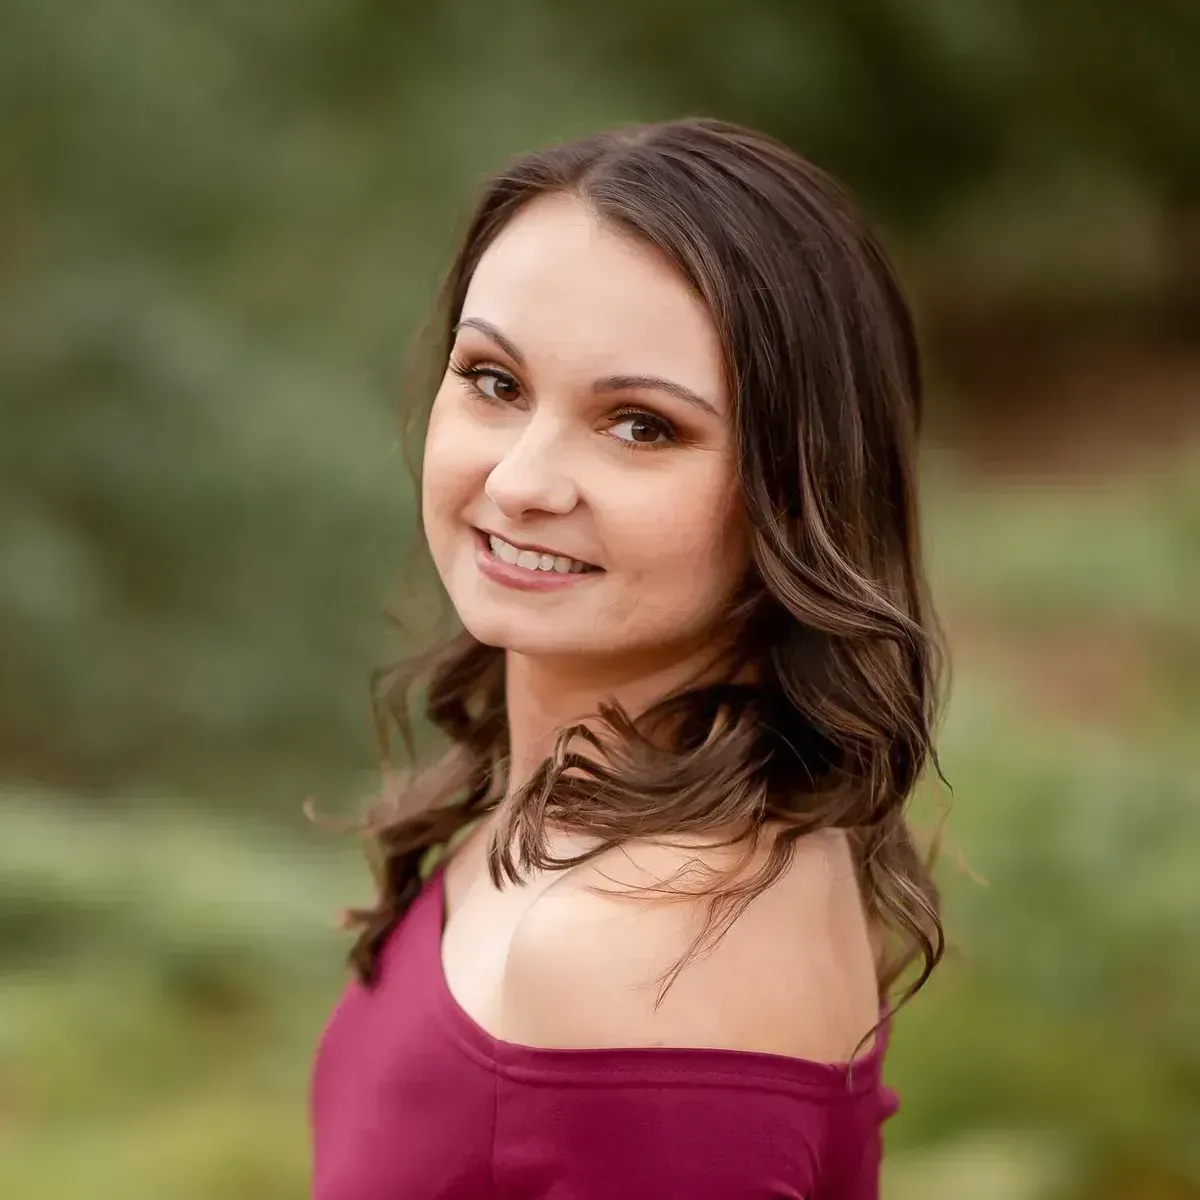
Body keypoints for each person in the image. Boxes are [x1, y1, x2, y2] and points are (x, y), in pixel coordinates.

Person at [310, 117, 945, 1199]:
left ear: (800, 490)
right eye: (495, 382)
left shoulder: (632, 945)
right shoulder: (605, 811)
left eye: (641, 426)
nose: (520, 482)